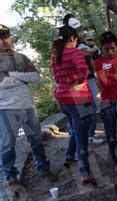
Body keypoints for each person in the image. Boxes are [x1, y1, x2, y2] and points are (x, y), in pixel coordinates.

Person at [0, 24, 58, 186]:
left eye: (6, 36)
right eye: (0, 38)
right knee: (7, 145)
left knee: (36, 139)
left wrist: (11, 74)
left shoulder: (22, 57)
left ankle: (44, 169)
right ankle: (11, 177)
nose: (4, 41)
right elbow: (3, 83)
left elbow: (35, 77)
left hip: (27, 106)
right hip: (6, 108)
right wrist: (22, 77)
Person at [51, 26, 96, 185]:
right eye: (76, 40)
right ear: (72, 39)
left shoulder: (55, 55)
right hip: (77, 99)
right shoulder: (75, 53)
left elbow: (57, 78)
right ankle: (84, 172)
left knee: (77, 129)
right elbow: (83, 69)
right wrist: (78, 83)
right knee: (81, 135)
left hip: (62, 99)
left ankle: (69, 156)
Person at [94, 31, 117, 174]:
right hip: (108, 103)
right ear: (102, 48)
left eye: (112, 48)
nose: (110, 52)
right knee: (111, 135)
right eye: (106, 49)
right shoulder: (98, 62)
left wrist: (110, 75)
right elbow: (104, 83)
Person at [78, 32, 104, 145]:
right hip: (80, 81)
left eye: (91, 40)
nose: (90, 42)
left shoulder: (94, 49)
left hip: (90, 78)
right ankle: (87, 135)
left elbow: (97, 57)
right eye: (88, 40)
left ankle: (89, 135)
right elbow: (83, 52)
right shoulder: (80, 48)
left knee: (93, 106)